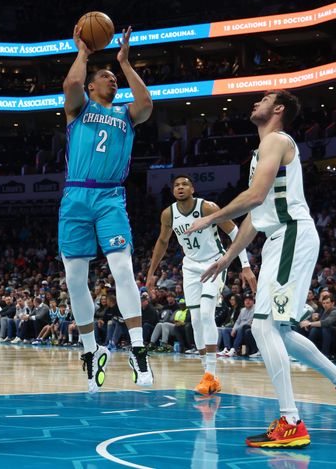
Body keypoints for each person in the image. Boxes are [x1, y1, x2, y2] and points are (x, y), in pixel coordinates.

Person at [188, 90, 336, 448]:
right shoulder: (262, 150)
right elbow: (256, 216)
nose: (257, 102)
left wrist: (211, 217)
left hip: (291, 235)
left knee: (262, 325)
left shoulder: (278, 139)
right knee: (278, 331)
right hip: (279, 238)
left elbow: (254, 198)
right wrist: (227, 259)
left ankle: (291, 421)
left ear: (279, 109)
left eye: (265, 98)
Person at [60, 23, 154, 393]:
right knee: (73, 279)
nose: (111, 81)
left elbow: (146, 104)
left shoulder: (126, 115)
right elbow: (69, 86)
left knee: (122, 269)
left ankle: (138, 349)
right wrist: (84, 53)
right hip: (75, 197)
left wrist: (124, 62)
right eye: (105, 77)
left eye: (114, 79)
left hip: (110, 197)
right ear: (90, 86)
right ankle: (90, 350)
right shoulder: (78, 109)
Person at [147, 174, 257, 395]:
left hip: (214, 263)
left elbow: (235, 231)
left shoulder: (207, 207)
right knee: (195, 319)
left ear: (193, 189)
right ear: (172, 191)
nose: (180, 187)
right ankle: (207, 373)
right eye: (176, 185)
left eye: (184, 184)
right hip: (190, 268)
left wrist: (245, 265)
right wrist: (151, 273)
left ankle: (211, 374)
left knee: (207, 315)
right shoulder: (168, 214)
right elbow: (162, 242)